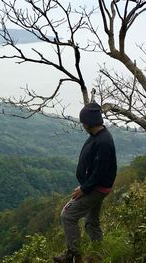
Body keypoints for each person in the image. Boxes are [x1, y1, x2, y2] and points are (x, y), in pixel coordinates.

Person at [53, 102, 117, 263]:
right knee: (91, 221)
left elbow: (100, 171)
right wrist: (85, 184)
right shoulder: (98, 136)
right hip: (96, 187)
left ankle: (74, 255)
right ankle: (98, 254)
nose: (82, 125)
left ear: (88, 122)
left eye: (83, 122)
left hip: (96, 188)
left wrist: (84, 188)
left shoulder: (103, 142)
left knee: (67, 215)